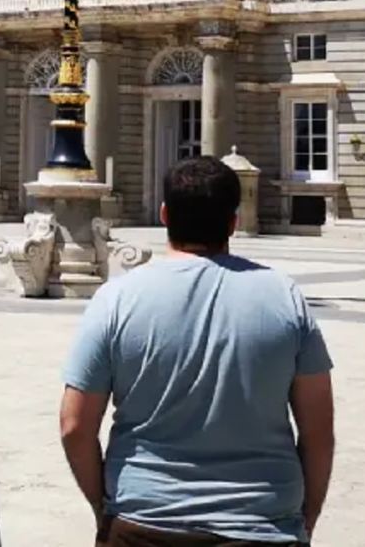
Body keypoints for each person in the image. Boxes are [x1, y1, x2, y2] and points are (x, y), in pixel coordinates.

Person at [59, 157, 336, 547]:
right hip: (262, 524)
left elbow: (74, 426)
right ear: (233, 222)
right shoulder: (285, 297)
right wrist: (304, 521)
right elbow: (319, 432)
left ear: (164, 214)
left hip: (144, 523)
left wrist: (105, 509)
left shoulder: (116, 299)